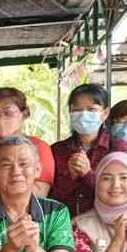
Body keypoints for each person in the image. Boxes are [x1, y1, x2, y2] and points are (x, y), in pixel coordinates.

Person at [0, 87, 55, 201]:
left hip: (21, 217)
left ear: (24, 114)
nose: (1, 118)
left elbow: (39, 195)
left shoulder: (38, 147)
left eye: (8, 113)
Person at [49, 84, 111, 217]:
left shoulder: (115, 149)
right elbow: (50, 199)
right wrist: (70, 178)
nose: (84, 114)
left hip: (103, 227)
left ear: (105, 113)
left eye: (91, 109)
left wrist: (87, 174)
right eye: (77, 109)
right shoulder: (57, 150)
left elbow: (117, 195)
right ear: (71, 111)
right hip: (66, 227)